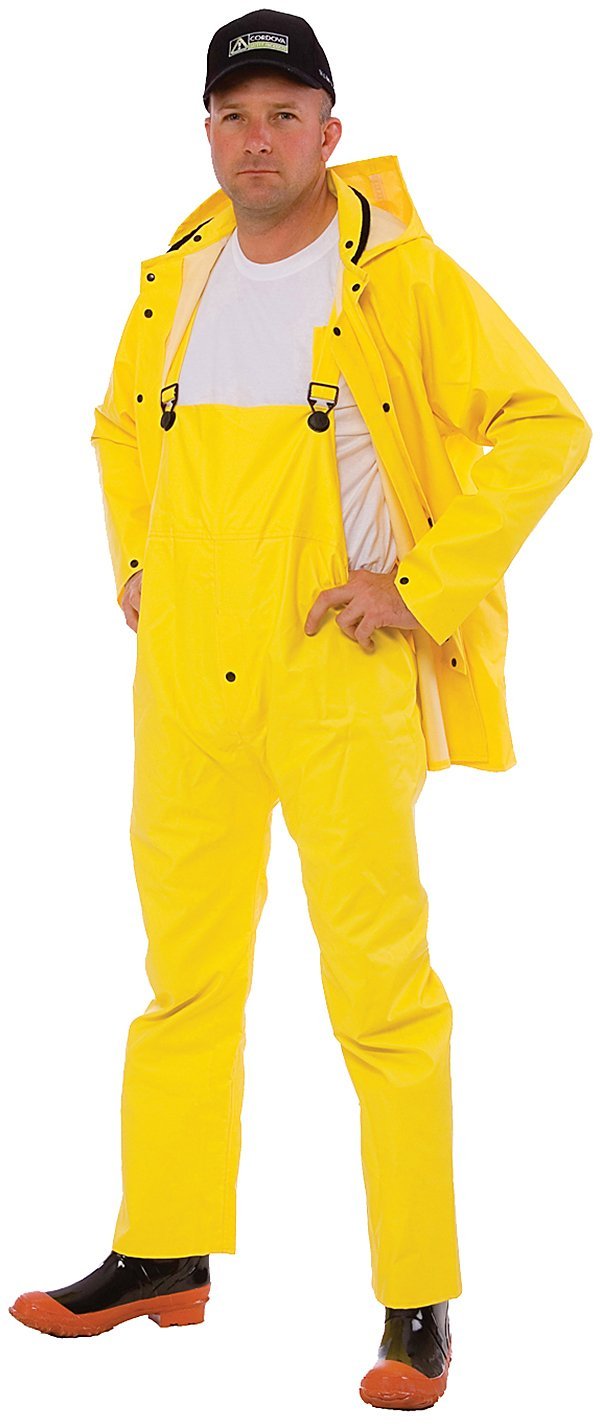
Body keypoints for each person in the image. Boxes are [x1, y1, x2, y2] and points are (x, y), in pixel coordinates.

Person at [9, 6, 591, 1410]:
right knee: (184, 974)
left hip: (336, 671)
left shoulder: (401, 277)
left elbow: (546, 424)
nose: (256, 141)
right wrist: (137, 563)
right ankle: (163, 1247)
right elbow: (118, 427)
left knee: (380, 990)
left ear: (332, 130)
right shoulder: (180, 270)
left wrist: (425, 586)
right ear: (207, 131)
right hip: (184, 674)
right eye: (233, 115)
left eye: (283, 115)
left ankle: (417, 1302)